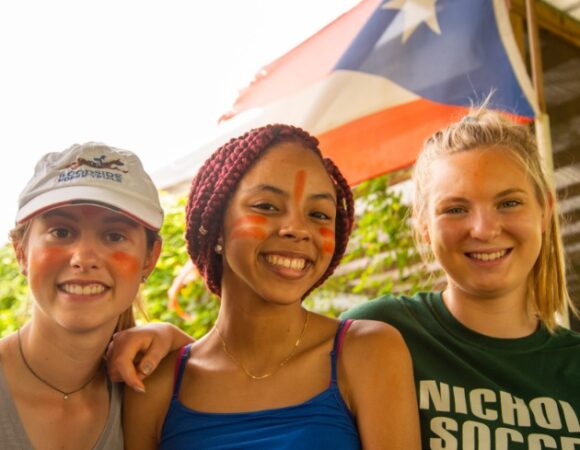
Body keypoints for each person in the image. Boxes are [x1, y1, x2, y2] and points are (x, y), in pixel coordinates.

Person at [123, 124, 421, 449]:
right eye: (266, 206)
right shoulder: (156, 381)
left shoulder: (369, 351)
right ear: (216, 227)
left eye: (319, 214)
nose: (298, 229)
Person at [343, 108, 580, 449]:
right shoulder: (376, 335)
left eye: (509, 202)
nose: (483, 230)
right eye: (455, 209)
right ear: (424, 226)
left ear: (544, 211)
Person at [0, 142, 166, 450]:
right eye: (61, 232)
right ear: (21, 252)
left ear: (149, 259)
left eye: (114, 235)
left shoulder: (161, 388)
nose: (84, 258)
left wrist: (175, 341)